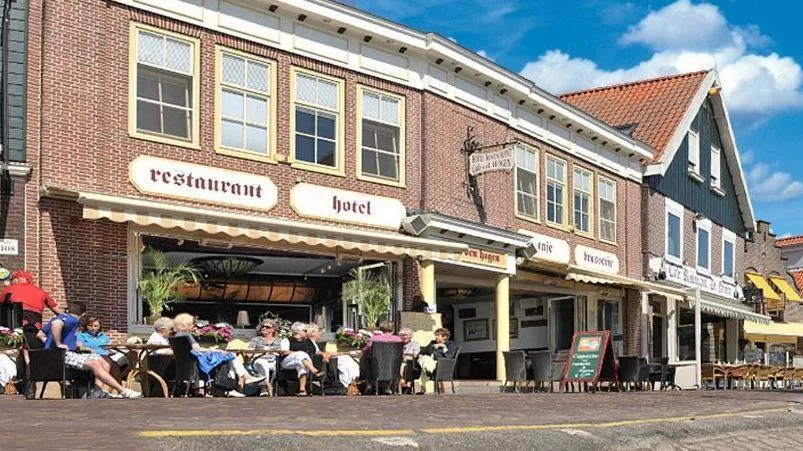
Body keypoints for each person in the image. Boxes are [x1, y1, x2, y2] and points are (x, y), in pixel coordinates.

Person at [42, 302, 140, 398]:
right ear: (83, 314)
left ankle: (98, 392)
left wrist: (50, 344)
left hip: (53, 355)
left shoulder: (57, 318)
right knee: (95, 363)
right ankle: (123, 391)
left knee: (102, 360)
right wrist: (58, 344)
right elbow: (56, 324)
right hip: (61, 355)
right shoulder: (72, 319)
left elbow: (40, 334)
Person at [171, 313, 264, 397]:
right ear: (185, 325)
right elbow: (197, 349)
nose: (193, 326)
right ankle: (233, 385)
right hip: (197, 366)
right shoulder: (187, 335)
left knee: (228, 356)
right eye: (191, 324)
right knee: (230, 356)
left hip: (187, 366)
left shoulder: (175, 337)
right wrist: (214, 350)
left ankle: (237, 383)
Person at [76, 316, 128, 386]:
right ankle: (99, 387)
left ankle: (119, 391)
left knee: (116, 366)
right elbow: (79, 347)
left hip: (106, 356)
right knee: (107, 362)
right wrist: (89, 349)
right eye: (90, 326)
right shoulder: (82, 335)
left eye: (95, 326)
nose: (93, 328)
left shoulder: (103, 336)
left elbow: (109, 346)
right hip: (92, 356)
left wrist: (112, 350)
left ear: (100, 326)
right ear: (86, 326)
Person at [248, 319, 289, 397]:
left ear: (273, 329)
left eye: (267, 327)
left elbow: (283, 352)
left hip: (274, 360)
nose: (264, 328)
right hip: (259, 359)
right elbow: (249, 352)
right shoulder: (256, 339)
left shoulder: (279, 340)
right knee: (263, 363)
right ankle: (264, 387)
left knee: (277, 366)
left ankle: (270, 384)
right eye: (263, 326)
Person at [280, 322, 324, 396]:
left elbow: (317, 352)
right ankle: (314, 370)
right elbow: (285, 352)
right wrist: (297, 353)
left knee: (301, 363)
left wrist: (325, 355)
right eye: (305, 330)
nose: (307, 332)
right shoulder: (287, 340)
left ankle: (302, 389)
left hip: (304, 362)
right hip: (288, 362)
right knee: (301, 354)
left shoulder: (310, 341)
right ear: (297, 331)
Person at [417, 327, 457, 394]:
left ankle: (425, 382)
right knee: (423, 358)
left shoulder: (451, 344)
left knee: (425, 362)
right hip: (431, 363)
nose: (436, 337)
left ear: (445, 337)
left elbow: (449, 357)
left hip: (441, 365)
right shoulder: (433, 343)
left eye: (438, 335)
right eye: (436, 335)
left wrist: (444, 347)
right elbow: (425, 351)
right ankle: (429, 371)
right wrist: (432, 348)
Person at [399, 327, 421, 393]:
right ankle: (405, 385)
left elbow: (415, 355)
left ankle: (407, 385)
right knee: (401, 363)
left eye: (406, 335)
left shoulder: (415, 344)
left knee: (408, 362)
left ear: (410, 336)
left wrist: (405, 356)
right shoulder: (398, 344)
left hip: (413, 365)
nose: (404, 337)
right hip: (400, 364)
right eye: (402, 335)